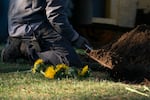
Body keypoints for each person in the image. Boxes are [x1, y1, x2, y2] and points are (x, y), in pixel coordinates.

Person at [1, 0, 90, 67]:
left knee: (65, 46)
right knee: (69, 61)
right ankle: (24, 50)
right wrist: (75, 38)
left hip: (16, 26)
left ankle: (18, 45)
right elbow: (56, 17)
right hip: (33, 27)